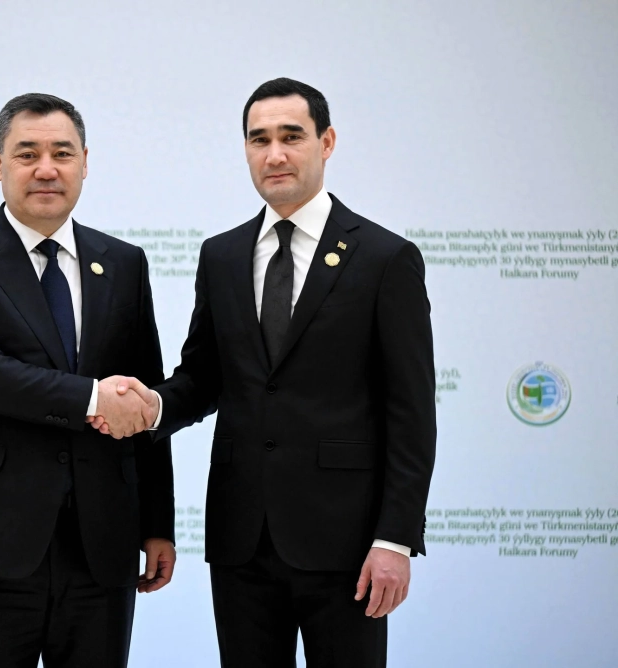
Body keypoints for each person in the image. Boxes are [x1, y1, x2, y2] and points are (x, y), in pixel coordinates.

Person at [90, 78, 436, 667]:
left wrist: (394, 539)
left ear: (327, 143)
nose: (274, 154)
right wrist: (152, 407)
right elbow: (203, 376)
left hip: (348, 545)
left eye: (291, 136)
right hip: (241, 539)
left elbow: (411, 411)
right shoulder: (221, 255)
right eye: (259, 139)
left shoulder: (385, 258)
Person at [0, 92, 175, 668]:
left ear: (85, 162)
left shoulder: (123, 262)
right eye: (27, 154)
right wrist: (91, 398)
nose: (46, 169)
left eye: (62, 152)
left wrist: (158, 524)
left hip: (102, 544)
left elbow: (143, 397)